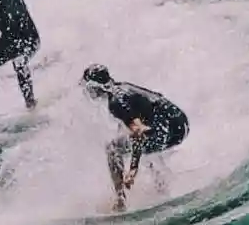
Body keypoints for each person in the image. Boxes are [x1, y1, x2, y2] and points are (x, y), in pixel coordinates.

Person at [81, 65, 190, 211]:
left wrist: (133, 169)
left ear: (95, 87)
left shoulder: (115, 102)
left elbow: (138, 131)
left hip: (170, 131)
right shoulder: (123, 87)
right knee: (135, 142)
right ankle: (161, 184)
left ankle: (120, 201)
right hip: (180, 123)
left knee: (112, 149)